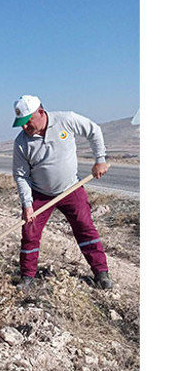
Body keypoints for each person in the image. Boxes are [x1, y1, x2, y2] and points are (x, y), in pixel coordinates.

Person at [11, 95, 114, 291]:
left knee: (85, 227)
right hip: (40, 194)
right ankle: (27, 277)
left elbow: (94, 130)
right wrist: (27, 204)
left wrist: (100, 159)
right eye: (21, 124)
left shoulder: (66, 120)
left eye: (27, 122)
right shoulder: (21, 143)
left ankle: (101, 273)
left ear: (40, 113)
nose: (24, 128)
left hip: (71, 188)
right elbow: (21, 175)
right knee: (29, 231)